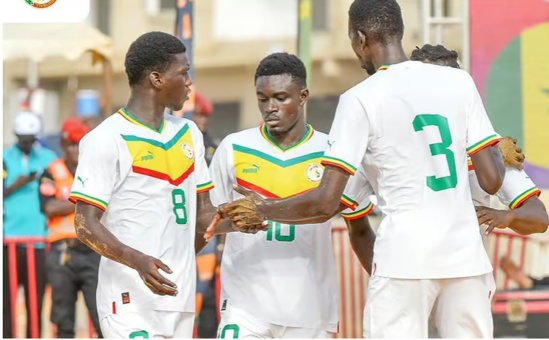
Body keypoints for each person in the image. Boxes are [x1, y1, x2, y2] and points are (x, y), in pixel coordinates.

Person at [213, 0, 507, 337]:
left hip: (404, 259)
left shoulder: (361, 97)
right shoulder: (459, 82)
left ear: (361, 38)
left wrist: (262, 207)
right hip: (466, 258)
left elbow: (325, 203)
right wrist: (499, 148)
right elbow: (493, 179)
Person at [68, 31, 254, 339]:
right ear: (156, 78)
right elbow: (84, 224)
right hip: (128, 298)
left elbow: (203, 218)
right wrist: (136, 260)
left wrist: (246, 215)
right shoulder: (105, 138)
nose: (189, 82)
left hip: (178, 295)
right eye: (183, 73)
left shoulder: (189, 133)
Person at [208, 52, 376, 339]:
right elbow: (209, 220)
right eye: (263, 99)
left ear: (303, 96)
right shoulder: (233, 147)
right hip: (245, 306)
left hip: (311, 310)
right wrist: (235, 221)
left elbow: (359, 229)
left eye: (281, 98)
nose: (270, 107)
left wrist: (385, 280)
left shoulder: (333, 153)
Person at [410, 44, 548, 236]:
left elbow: (539, 219)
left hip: (468, 261)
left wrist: (506, 217)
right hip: (412, 258)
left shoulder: (490, 145)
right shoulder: (396, 134)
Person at [39, 118, 103, 338]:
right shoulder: (52, 171)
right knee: (64, 320)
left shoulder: (95, 170)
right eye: (72, 144)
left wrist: (67, 202)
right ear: (64, 145)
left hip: (92, 253)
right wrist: (84, 201)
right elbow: (49, 207)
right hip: (62, 254)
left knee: (101, 316)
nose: (76, 150)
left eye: (79, 144)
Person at [3, 111, 57, 338]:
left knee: (35, 302)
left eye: (31, 139)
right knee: (6, 303)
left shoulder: (49, 158)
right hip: (9, 242)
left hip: (39, 241)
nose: (27, 144)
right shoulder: (4, 157)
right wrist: (17, 184)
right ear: (16, 136)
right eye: (23, 139)